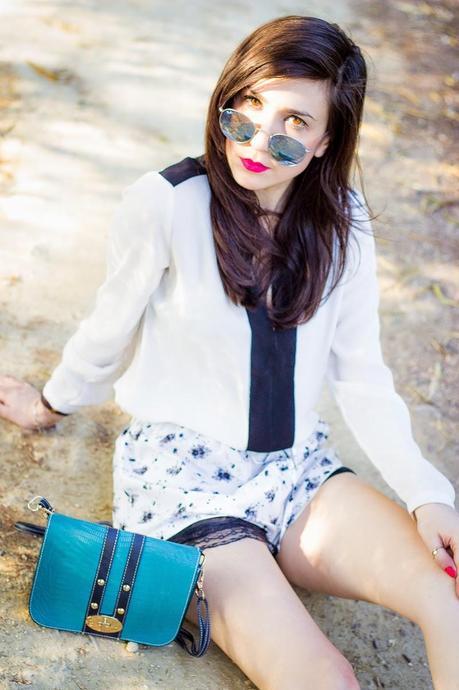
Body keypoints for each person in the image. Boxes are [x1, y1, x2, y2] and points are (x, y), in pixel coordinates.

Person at [1, 14, 458, 690]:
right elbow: (109, 325)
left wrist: (427, 495)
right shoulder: (166, 202)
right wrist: (51, 402)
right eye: (247, 104)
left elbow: (362, 376)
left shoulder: (345, 226)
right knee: (324, 679)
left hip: (296, 471)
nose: (258, 137)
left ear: (327, 139)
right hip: (184, 483)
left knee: (444, 601)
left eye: (295, 123)